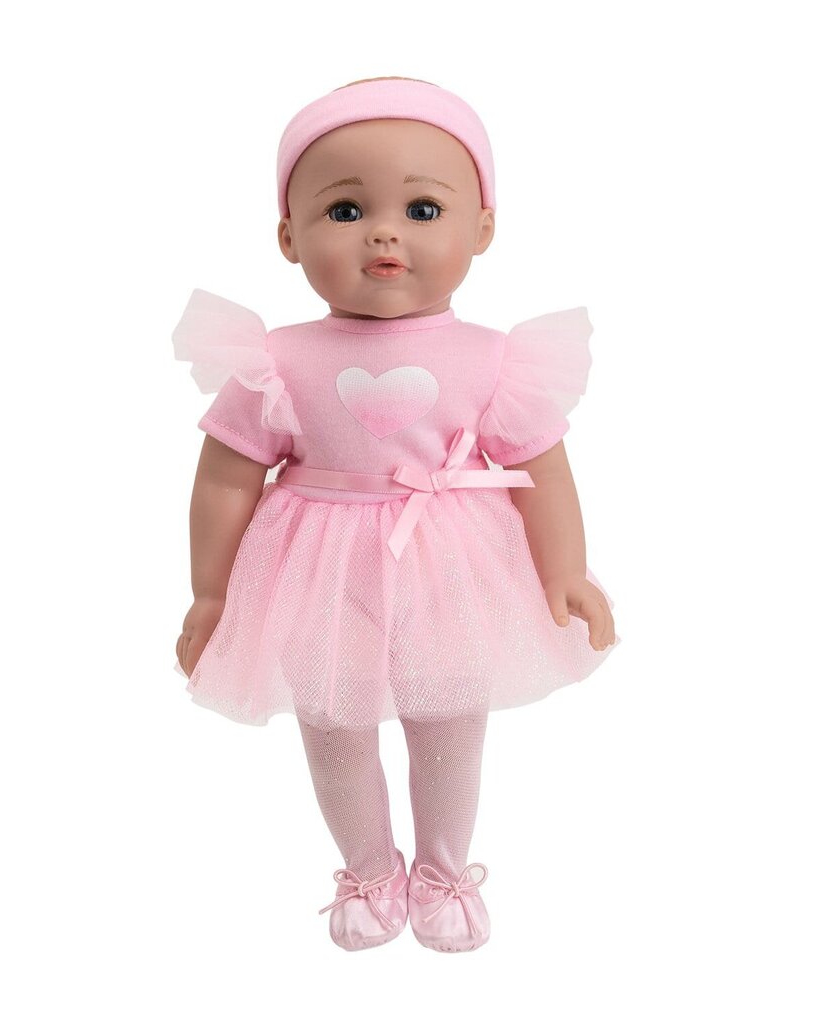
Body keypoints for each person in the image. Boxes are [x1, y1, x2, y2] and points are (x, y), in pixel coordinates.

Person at [172, 76, 620, 953]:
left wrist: (565, 570)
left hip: (452, 567)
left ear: (481, 228)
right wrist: (212, 593)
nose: (384, 232)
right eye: (345, 211)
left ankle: (444, 873)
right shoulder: (276, 360)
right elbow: (226, 479)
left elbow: (541, 469)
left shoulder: (495, 359)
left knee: (449, 722)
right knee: (333, 723)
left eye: (422, 209)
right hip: (315, 572)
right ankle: (370, 870)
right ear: (288, 236)